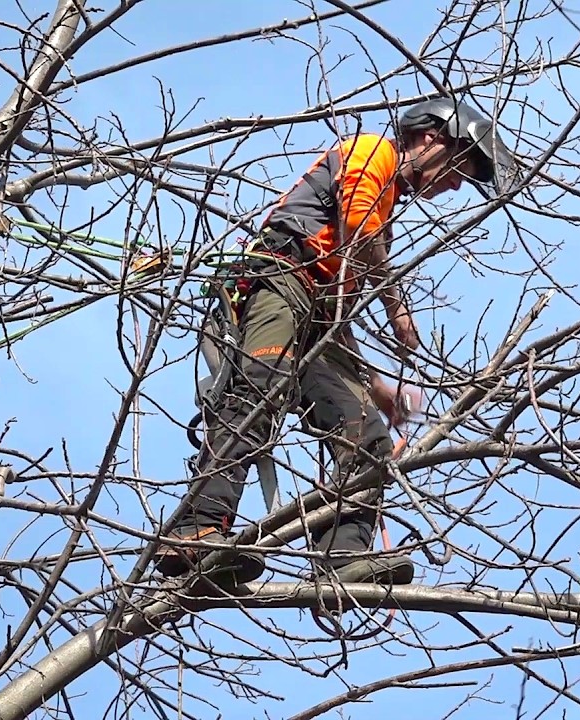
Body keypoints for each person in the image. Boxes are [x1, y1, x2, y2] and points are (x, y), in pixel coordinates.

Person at [153, 98, 513, 586]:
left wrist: (374, 386)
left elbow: (336, 315)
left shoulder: (385, 203)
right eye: (458, 169)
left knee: (365, 436)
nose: (454, 185)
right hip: (278, 281)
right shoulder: (372, 153)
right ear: (431, 138)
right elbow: (357, 226)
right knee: (258, 394)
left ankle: (342, 563)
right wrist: (396, 305)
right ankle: (196, 534)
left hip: (313, 314)